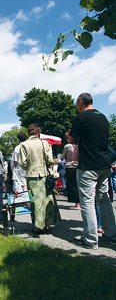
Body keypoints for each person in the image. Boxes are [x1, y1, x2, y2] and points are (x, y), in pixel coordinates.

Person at [69, 92, 116, 249]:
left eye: (77, 104)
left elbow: (72, 139)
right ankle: (111, 234)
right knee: (104, 199)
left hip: (89, 165)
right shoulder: (102, 117)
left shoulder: (81, 118)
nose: (77, 107)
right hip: (104, 164)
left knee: (87, 201)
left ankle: (90, 239)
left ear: (81, 102)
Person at [18, 124, 61, 235]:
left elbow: (22, 163)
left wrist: (29, 166)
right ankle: (47, 225)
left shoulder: (24, 145)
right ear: (38, 133)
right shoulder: (44, 143)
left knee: (35, 201)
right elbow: (50, 160)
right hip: (44, 174)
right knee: (47, 200)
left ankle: (38, 226)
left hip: (32, 175)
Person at [61, 131, 80, 209]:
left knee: (73, 186)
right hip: (79, 166)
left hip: (70, 166)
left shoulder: (67, 146)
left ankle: (77, 203)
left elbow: (63, 156)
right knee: (78, 185)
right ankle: (81, 202)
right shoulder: (78, 144)